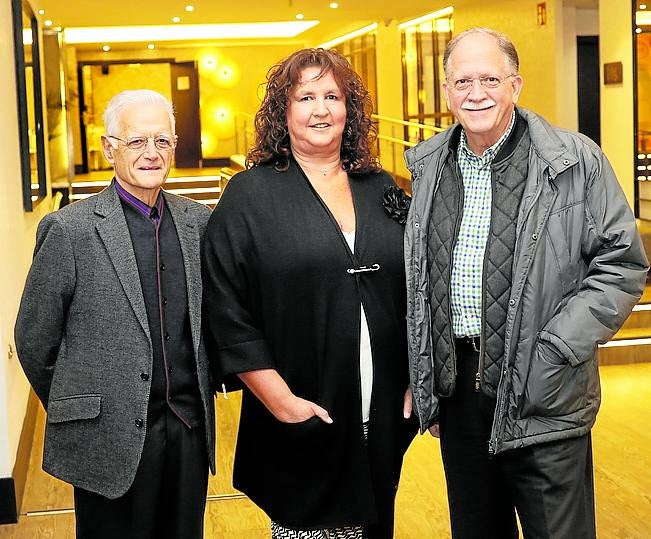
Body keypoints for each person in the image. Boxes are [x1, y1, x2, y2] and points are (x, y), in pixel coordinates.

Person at [402, 27, 648, 538]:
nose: (476, 92)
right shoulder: (427, 168)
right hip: (459, 396)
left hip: (545, 392)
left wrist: (555, 348)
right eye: (462, 80)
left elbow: (622, 263)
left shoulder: (574, 161)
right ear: (446, 92)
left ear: (515, 84)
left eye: (489, 78)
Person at [202, 48, 415, 539]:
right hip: (300, 412)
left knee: (375, 525)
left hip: (379, 416)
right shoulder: (249, 196)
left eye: (332, 96)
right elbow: (226, 308)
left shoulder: (379, 185)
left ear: (350, 110)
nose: (321, 109)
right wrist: (281, 403)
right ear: (285, 111)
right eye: (306, 97)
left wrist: (415, 378)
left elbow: (417, 289)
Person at [15, 89, 215, 539]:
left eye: (162, 141)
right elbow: (34, 340)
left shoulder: (199, 222)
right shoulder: (71, 229)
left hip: (186, 430)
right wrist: (83, 406)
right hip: (107, 436)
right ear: (110, 149)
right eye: (137, 141)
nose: (151, 153)